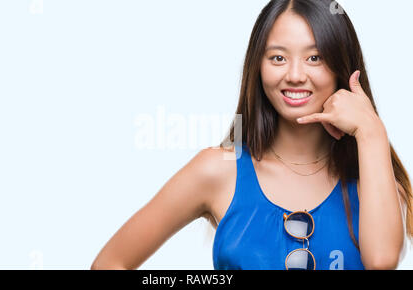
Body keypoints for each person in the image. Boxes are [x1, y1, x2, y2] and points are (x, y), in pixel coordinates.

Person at [91, 0, 412, 270]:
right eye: (278, 58)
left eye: (315, 57)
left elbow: (382, 261)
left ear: (341, 64)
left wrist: (370, 131)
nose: (296, 75)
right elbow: (110, 263)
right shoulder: (219, 170)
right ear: (257, 67)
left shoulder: (375, 180)